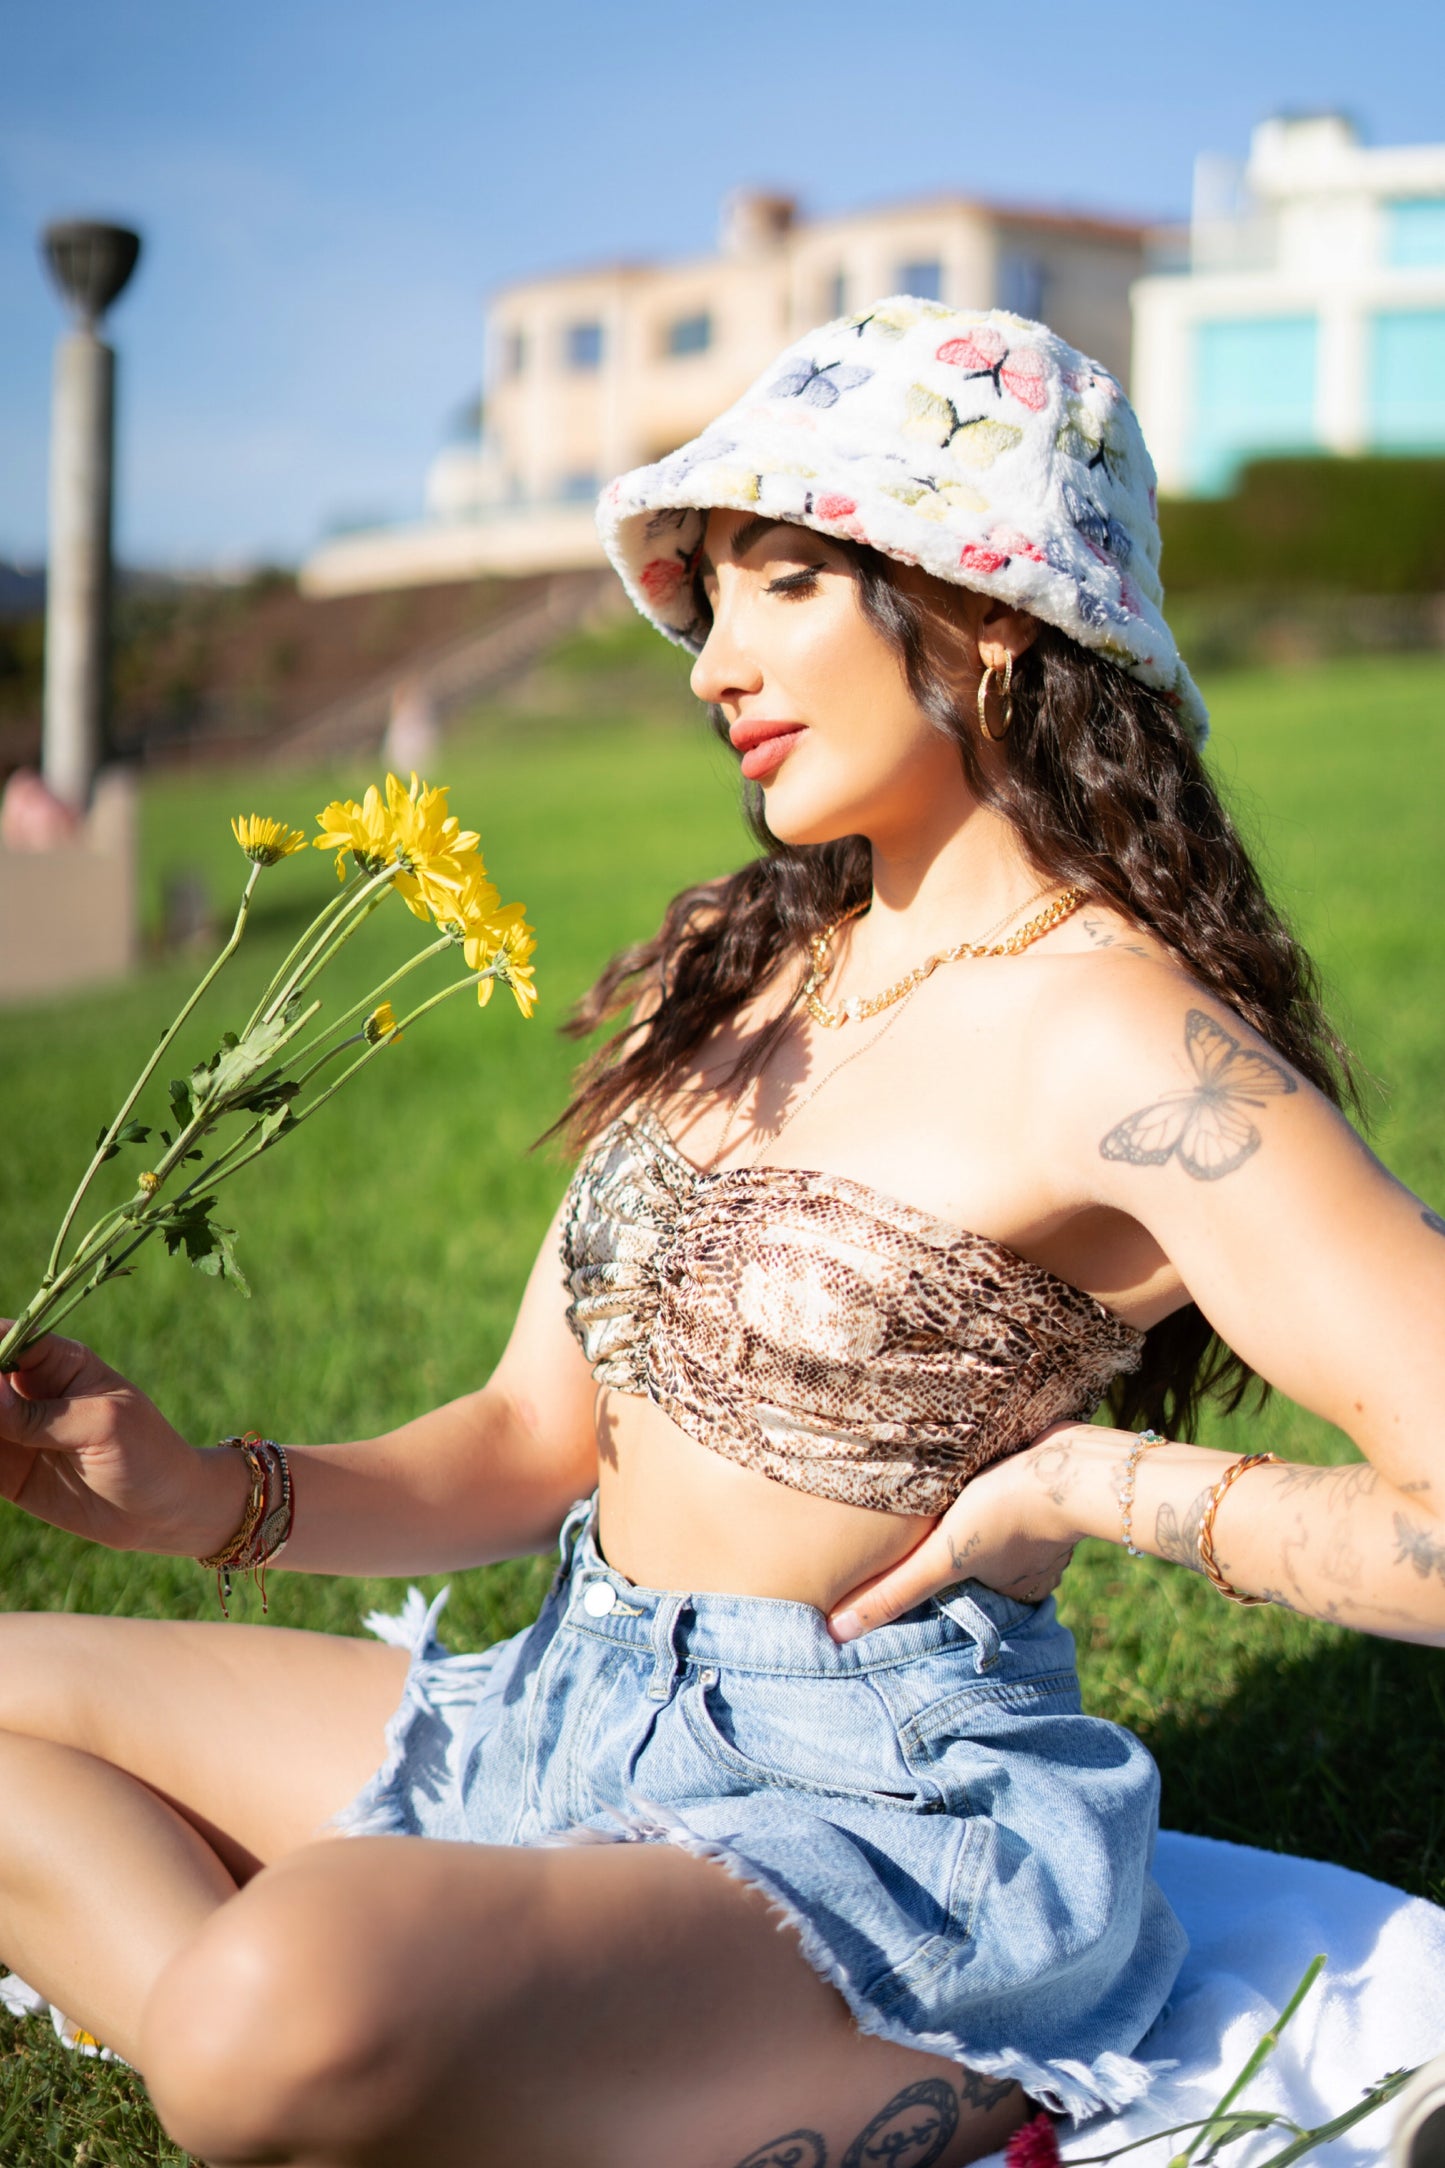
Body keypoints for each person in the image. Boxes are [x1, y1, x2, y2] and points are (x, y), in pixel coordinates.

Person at [1, 299, 1442, 2168]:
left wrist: (1078, 1489)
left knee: (272, 2009)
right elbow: (528, 1441)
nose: (709, 664)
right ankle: (423, 2072)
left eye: (779, 585)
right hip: (564, 1707)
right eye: (708, 601)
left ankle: (379, 2056)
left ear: (987, 617)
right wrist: (203, 1494)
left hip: (872, 1818)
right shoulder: (743, 966)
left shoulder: (1119, 1033)